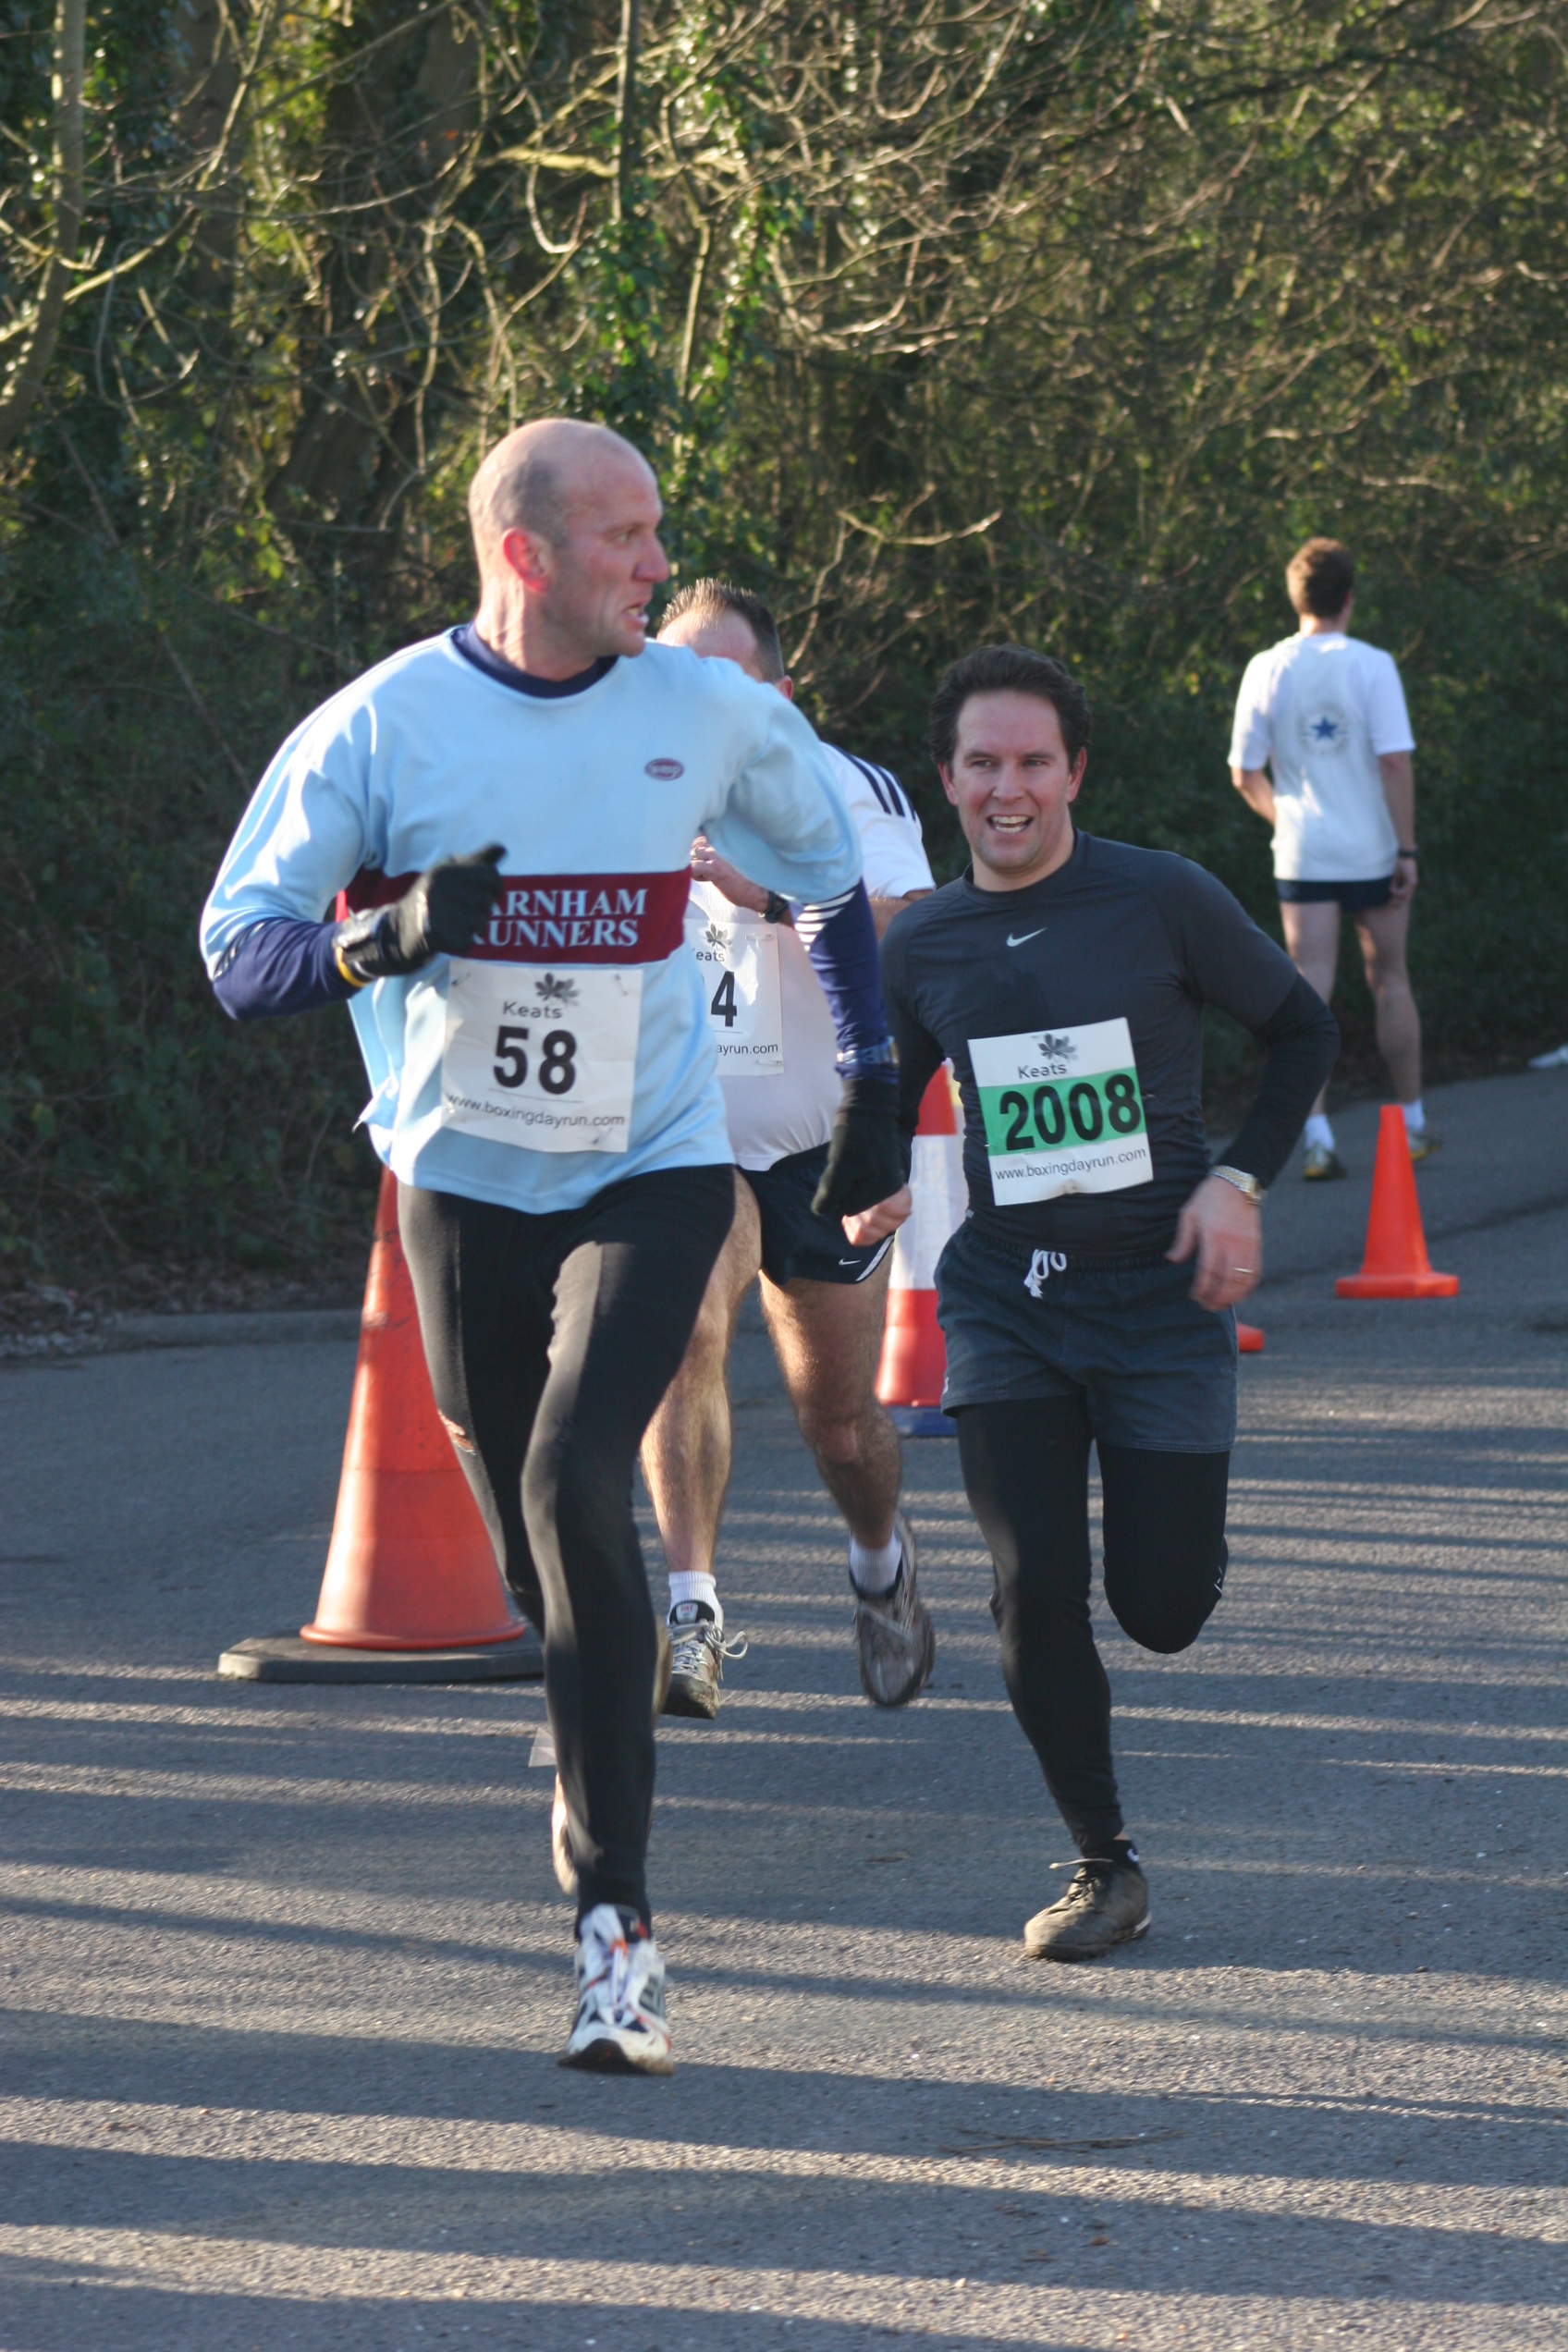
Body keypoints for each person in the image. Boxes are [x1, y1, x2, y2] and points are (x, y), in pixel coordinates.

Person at [199, 420, 906, 2074]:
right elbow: (240, 955)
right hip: (459, 1184)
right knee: (534, 1523)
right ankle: (587, 1667)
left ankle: (618, 1930)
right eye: (626, 538)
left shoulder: (710, 709)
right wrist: (388, 937)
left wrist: (874, 1081)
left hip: (655, 1168)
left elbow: (828, 885)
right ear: (525, 554)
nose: (660, 564)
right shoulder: (382, 724)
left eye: (658, 532)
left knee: (582, 1475)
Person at [850, 645, 1337, 1961]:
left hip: (1162, 1296)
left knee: (1162, 1608)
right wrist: (868, 1187)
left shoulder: (1161, 898)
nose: (1009, 789)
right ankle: (1101, 1865)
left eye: (1033, 763)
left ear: (1075, 773)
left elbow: (1302, 1032)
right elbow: (890, 1103)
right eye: (982, 765)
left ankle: (1180, 1540)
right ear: (947, 781)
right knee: (1032, 1586)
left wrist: (1239, 1181)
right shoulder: (927, 942)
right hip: (1008, 1300)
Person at [635, 580, 937, 1719]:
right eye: (678, 680)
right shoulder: (625, 787)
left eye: (728, 682)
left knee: (840, 1426)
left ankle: (880, 1566)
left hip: (822, 1144)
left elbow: (908, 937)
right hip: (686, 1137)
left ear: (781, 694)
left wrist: (764, 894)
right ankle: (694, 1612)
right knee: (684, 1338)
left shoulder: (846, 787)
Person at [1229, 537, 1430, 1179]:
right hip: (1373, 849)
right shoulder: (1371, 664)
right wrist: (1406, 850)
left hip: (1304, 854)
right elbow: (1394, 762)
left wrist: (1286, 818)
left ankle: (1316, 1137)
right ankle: (1415, 1124)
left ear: (1297, 598)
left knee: (1308, 989)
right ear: (1349, 598)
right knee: (1390, 979)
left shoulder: (1267, 666)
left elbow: (1244, 773)